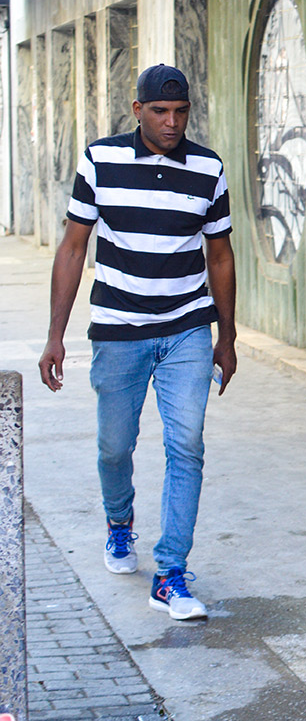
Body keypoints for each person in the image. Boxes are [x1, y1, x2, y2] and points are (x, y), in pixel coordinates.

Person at [38, 64, 236, 620]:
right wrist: (56, 335)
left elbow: (218, 255)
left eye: (181, 113)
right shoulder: (101, 161)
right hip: (118, 331)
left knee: (187, 445)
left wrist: (228, 335)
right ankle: (119, 521)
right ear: (137, 111)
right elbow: (74, 248)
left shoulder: (208, 168)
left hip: (186, 329)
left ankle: (171, 573)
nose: (171, 123)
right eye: (160, 112)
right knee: (114, 447)